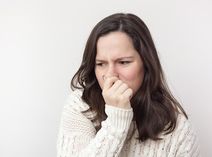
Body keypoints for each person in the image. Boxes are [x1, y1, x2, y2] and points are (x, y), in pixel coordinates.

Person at [57, 13, 200, 157]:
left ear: (146, 64)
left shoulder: (178, 132)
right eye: (101, 64)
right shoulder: (80, 106)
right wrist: (117, 118)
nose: (111, 74)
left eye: (123, 62)